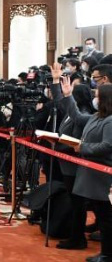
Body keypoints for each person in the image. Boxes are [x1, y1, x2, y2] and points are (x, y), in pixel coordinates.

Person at [49, 63, 91, 250]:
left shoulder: (83, 115)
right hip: (66, 163)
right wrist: (55, 80)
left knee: (77, 203)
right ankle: (75, 235)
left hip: (74, 165)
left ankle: (77, 238)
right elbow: (60, 101)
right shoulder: (72, 111)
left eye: (72, 91)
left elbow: (75, 141)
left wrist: (58, 144)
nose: (69, 93)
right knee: (74, 201)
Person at [73, 84, 112, 261]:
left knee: (106, 217)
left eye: (97, 95)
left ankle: (107, 254)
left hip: (103, 175)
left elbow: (107, 146)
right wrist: (65, 95)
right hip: (92, 175)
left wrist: (83, 147)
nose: (94, 98)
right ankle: (105, 252)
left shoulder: (110, 120)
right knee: (102, 215)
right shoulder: (97, 116)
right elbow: (77, 116)